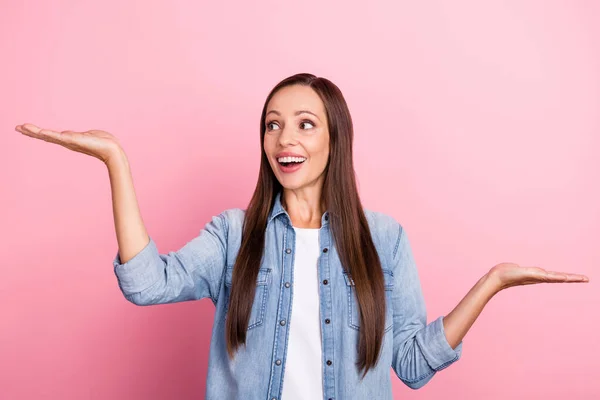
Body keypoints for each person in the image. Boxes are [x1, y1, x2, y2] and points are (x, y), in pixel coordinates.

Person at [16, 73, 589, 400]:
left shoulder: (383, 240)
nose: (284, 138)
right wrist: (116, 159)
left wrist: (492, 282)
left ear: (335, 139)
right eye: (273, 123)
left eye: (304, 123)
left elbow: (411, 365)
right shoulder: (235, 235)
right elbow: (146, 284)